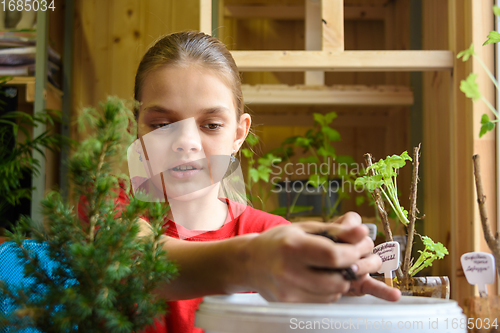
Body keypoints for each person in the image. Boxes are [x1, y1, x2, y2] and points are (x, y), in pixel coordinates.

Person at [127, 31, 401, 333]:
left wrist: (332, 275)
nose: (186, 142)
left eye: (211, 125)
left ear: (238, 134)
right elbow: (141, 259)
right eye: (162, 125)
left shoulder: (274, 237)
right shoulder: (106, 208)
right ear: (134, 126)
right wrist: (252, 262)